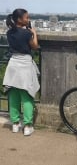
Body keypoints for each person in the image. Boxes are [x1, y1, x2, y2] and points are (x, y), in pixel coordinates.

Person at [3, 8, 39, 136]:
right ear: (19, 19)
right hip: (24, 64)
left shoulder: (9, 33)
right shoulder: (26, 33)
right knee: (27, 96)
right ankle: (28, 125)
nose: (28, 19)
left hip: (13, 64)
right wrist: (34, 33)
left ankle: (15, 124)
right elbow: (34, 46)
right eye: (26, 18)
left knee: (13, 96)